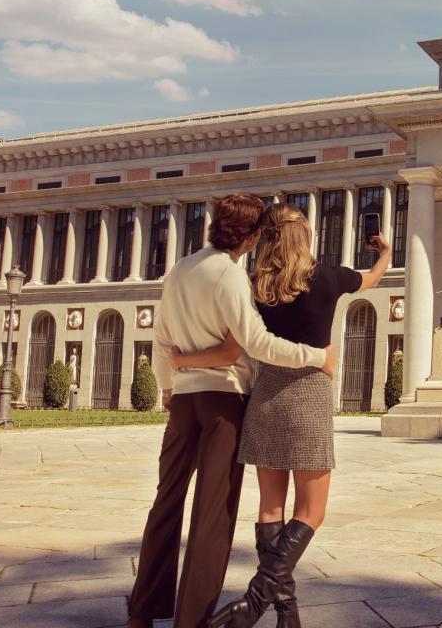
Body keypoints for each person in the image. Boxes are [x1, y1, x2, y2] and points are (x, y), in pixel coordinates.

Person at [174, 204, 392, 628]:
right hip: (308, 395)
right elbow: (372, 278)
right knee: (311, 512)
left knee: (271, 508)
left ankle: (287, 616)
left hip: (266, 396)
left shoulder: (255, 286)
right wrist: (383, 252)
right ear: (306, 235)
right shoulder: (328, 277)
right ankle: (254, 604)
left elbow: (240, 343)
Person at [126, 195, 334, 628]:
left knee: (165, 504)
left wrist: (169, 385)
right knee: (211, 515)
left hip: (183, 402)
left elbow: (162, 340)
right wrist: (315, 357)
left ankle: (143, 610)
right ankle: (192, 620)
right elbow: (258, 345)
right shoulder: (232, 277)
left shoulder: (180, 269)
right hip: (223, 402)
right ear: (252, 234)